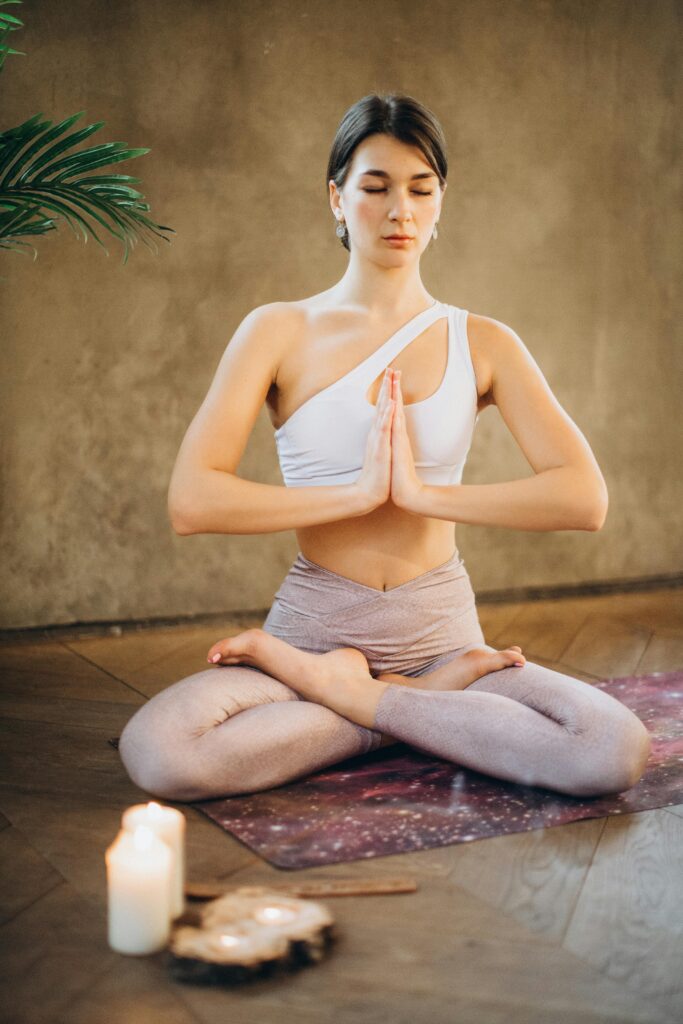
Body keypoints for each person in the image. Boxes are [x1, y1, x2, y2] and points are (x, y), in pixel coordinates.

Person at [118, 93, 651, 803]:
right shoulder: (276, 330)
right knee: (161, 754)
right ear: (336, 199)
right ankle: (422, 705)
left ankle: (361, 702)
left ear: (439, 204)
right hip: (312, 629)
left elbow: (583, 498)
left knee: (610, 751)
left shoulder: (483, 340)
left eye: (419, 189)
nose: (399, 210)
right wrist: (356, 493)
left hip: (441, 632)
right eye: (374, 188)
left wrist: (424, 495)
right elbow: (192, 500)